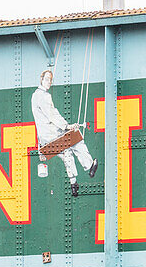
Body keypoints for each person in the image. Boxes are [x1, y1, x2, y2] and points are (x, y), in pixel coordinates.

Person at [31, 69, 97, 197]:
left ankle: (73, 183)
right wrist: (68, 126)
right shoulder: (44, 96)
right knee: (76, 138)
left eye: (50, 80)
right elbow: (52, 115)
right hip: (52, 137)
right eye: (46, 79)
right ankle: (89, 166)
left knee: (67, 153)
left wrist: (40, 149)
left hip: (45, 142)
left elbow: (42, 122)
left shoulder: (34, 96)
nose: (49, 82)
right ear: (41, 79)